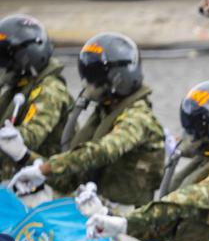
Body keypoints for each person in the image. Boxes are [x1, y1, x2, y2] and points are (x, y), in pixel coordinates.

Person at [85, 80, 209, 241]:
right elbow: (163, 228)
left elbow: (183, 201)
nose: (188, 136)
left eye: (195, 130)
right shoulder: (204, 162)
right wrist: (113, 218)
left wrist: (125, 220)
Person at [9, 33, 164, 209]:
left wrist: (45, 169)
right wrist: (24, 155)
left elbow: (102, 151)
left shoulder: (138, 118)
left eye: (95, 79)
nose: (87, 85)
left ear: (118, 79)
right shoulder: (104, 113)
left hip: (123, 218)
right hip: (93, 204)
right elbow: (71, 178)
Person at [0, 14, 72, 180]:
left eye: (4, 58)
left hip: (44, 183)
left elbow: (30, 136)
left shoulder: (50, 91)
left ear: (26, 58)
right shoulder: (17, 87)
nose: (1, 65)